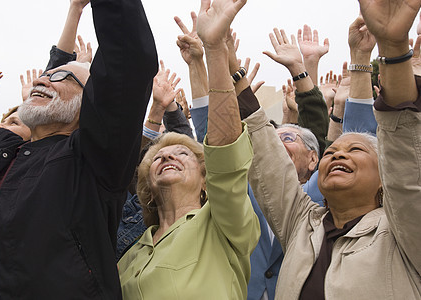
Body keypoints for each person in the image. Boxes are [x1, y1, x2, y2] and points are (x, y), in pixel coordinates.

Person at [0, 0, 157, 299]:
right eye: (46, 75)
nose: (44, 77)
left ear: (90, 105)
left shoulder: (92, 161)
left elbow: (128, 62)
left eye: (62, 76)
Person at [245, 1, 421, 297]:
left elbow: (404, 150)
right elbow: (268, 163)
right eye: (332, 152)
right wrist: (220, 62)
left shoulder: (404, 230)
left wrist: (392, 46)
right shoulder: (303, 224)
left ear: (385, 176)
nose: (338, 154)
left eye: (357, 150)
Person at [118, 0, 260, 298]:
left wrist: (215, 51)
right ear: (145, 186)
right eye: (157, 158)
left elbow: (225, 154)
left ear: (206, 179)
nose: (167, 155)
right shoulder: (131, 251)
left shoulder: (222, 223)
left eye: (183, 154)